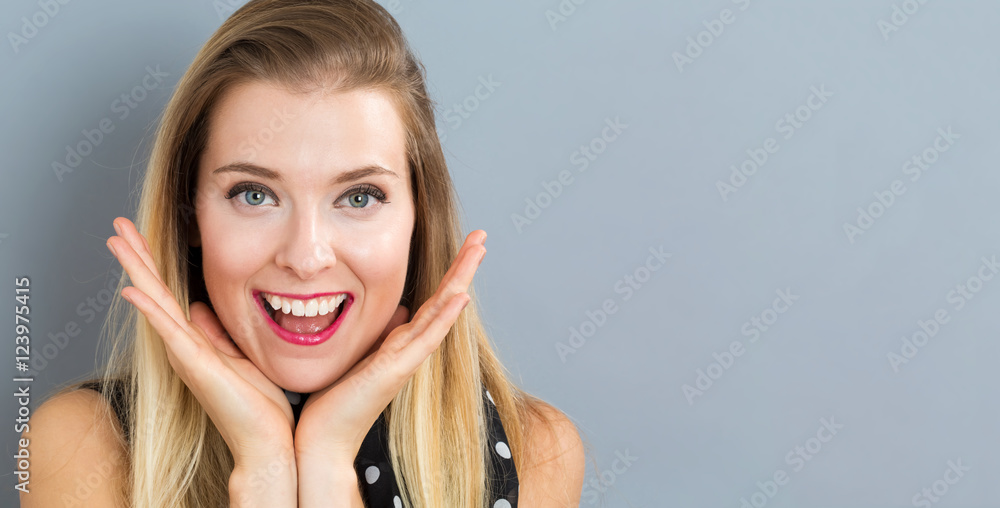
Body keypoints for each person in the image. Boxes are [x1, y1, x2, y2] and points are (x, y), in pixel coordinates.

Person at [21, 0, 586, 506]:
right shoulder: (81, 448)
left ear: (419, 216)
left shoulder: (538, 451)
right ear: (189, 214)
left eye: (359, 196)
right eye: (255, 194)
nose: (306, 256)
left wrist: (326, 467)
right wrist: (264, 470)